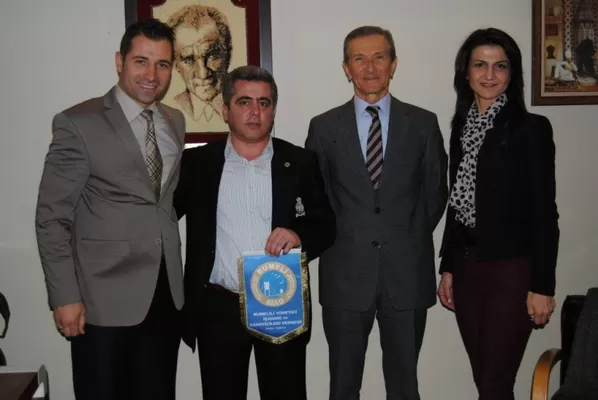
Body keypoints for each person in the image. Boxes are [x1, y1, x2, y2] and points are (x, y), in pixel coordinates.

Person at [35, 19, 185, 400]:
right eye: (141, 61)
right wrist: (64, 296)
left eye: (163, 64)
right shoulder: (78, 123)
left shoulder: (175, 121)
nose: (152, 75)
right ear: (120, 61)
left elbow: (160, 201)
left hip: (164, 297)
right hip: (100, 302)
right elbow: (52, 217)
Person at [174, 65, 335, 400]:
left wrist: (298, 235)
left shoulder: (300, 161)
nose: (254, 112)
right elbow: (162, 216)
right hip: (218, 306)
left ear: (273, 110)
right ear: (226, 110)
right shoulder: (198, 164)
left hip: (280, 304)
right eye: (244, 102)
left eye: (264, 103)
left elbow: (326, 223)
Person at [305, 26, 448, 400]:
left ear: (393, 64)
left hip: (407, 276)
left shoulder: (423, 124)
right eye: (359, 58)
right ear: (347, 68)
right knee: (343, 387)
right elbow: (317, 199)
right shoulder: (323, 127)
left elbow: (435, 195)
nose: (370, 67)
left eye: (379, 57)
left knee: (405, 387)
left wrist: (403, 236)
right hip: (345, 278)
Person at [437, 28, 559, 400]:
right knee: (487, 379)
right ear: (466, 72)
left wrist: (542, 287)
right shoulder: (461, 128)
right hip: (467, 268)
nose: (489, 75)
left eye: (500, 66)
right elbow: (457, 203)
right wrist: (449, 266)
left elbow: (545, 212)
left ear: (512, 73)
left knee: (494, 382)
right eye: (480, 65)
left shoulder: (531, 129)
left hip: (511, 272)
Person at [167, 5, 231, 123]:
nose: (203, 74)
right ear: (175, 65)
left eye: (212, 56)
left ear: (228, 55)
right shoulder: (168, 109)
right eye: (188, 60)